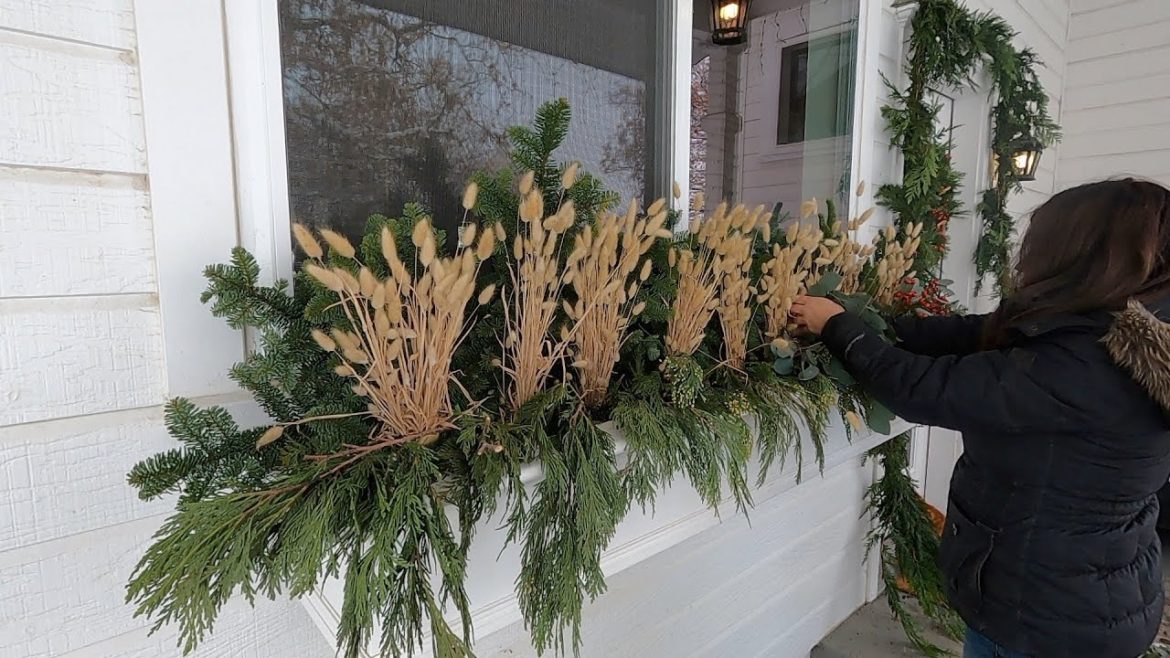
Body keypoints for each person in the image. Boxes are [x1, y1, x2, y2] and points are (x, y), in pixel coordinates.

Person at [790, 178, 1170, 658]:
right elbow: (976, 334)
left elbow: (921, 389)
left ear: (1081, 255)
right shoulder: (1116, 331)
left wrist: (834, 325)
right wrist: (875, 325)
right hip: (1065, 591)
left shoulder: (1086, 366)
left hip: (1050, 619)